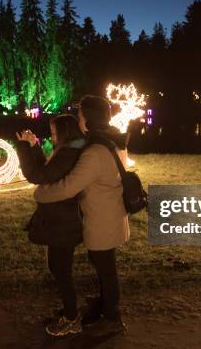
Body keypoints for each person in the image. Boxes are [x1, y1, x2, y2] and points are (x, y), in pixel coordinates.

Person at [34, 95, 129, 336]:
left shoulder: (95, 152)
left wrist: (42, 194)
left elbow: (69, 186)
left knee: (106, 269)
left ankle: (111, 318)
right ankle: (104, 309)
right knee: (105, 267)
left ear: (88, 119)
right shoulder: (111, 142)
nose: (78, 121)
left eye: (80, 116)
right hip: (111, 215)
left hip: (102, 219)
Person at [15, 114, 86, 337]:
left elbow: (39, 175)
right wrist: (35, 146)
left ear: (65, 132)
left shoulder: (69, 152)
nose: (52, 136)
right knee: (58, 267)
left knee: (60, 269)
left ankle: (72, 317)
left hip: (63, 221)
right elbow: (49, 170)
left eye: (55, 133)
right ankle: (69, 310)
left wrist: (24, 148)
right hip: (61, 219)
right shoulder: (68, 151)